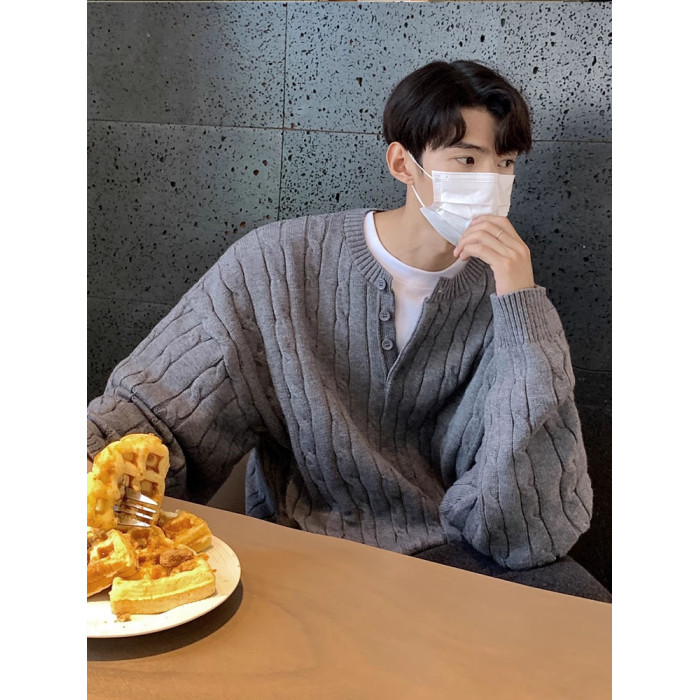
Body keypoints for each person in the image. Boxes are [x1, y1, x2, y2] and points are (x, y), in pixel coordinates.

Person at [87, 60, 610, 601]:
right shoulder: (278, 263)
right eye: (467, 160)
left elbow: (530, 528)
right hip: (309, 542)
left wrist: (522, 304)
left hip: (459, 557)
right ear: (403, 164)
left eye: (505, 163)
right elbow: (153, 410)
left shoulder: (508, 300)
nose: (491, 183)